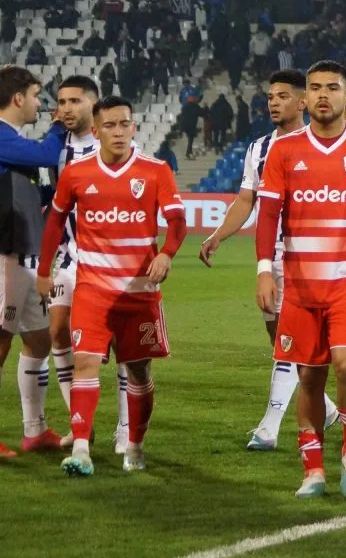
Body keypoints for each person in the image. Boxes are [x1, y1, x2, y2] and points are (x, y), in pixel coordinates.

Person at [254, 60, 346, 499]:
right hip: (299, 287)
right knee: (310, 378)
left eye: (331, 88)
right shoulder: (284, 151)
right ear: (305, 98)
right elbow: (268, 217)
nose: (322, 95)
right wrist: (264, 270)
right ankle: (313, 469)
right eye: (315, 88)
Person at [37, 95, 188, 476]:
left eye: (125, 124)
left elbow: (178, 222)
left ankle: (134, 445)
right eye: (110, 125)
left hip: (139, 293)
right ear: (96, 130)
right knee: (84, 361)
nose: (118, 132)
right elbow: (55, 223)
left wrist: (167, 254)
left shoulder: (156, 171)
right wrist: (43, 270)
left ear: (134, 127)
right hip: (93, 288)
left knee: (138, 372)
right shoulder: (76, 173)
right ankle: (82, 449)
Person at [197, 70, 339, 452]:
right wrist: (218, 235)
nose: (273, 102)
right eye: (270, 96)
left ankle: (269, 427)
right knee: (280, 338)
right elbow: (247, 200)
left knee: (287, 343)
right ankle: (324, 406)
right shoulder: (259, 148)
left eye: (282, 95)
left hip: (306, 257)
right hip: (270, 256)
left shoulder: (320, 144)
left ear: (303, 102)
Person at [44, 75, 137, 452]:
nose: (67, 108)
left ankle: (125, 428)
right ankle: (79, 421)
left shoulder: (121, 145)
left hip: (113, 262)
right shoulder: (54, 149)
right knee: (58, 332)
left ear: (94, 106)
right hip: (70, 256)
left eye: (75, 101)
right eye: (62, 102)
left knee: (120, 345)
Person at [0, 65, 68, 458]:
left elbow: (31, 189)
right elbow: (46, 152)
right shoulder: (0, 135)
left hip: (23, 255)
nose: (42, 105)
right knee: (0, 343)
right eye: (38, 96)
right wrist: (59, 127)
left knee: (39, 340)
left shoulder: (11, 143)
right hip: (4, 256)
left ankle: (35, 430)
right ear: (17, 98)